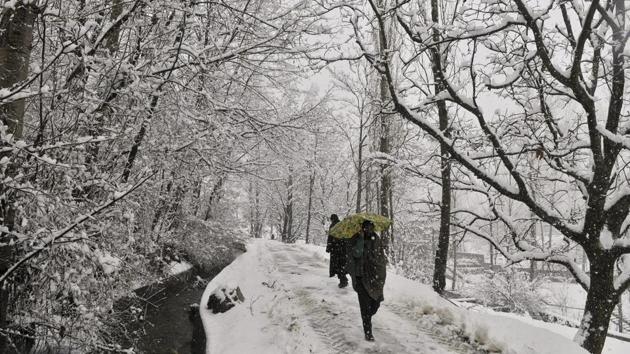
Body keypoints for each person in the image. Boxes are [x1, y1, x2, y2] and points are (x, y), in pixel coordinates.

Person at [347, 220, 387, 342]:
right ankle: (368, 331)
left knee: (376, 303)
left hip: (374, 276)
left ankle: (368, 315)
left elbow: (380, 256)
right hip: (360, 277)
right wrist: (360, 239)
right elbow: (356, 254)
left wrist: (378, 267)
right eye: (366, 227)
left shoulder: (376, 238)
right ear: (362, 228)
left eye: (370, 227)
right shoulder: (355, 238)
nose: (368, 230)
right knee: (364, 306)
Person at [325, 214, 348, 288]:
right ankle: (343, 278)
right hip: (343, 248)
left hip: (335, 249)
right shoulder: (342, 224)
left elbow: (330, 237)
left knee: (337, 265)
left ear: (332, 219)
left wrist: (328, 247)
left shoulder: (333, 226)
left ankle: (343, 280)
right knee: (342, 264)